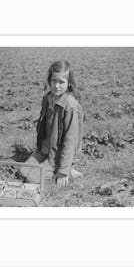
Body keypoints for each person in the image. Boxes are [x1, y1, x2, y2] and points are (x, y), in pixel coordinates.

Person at [20, 60, 84, 189]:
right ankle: (45, 164)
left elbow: (70, 141)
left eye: (62, 82)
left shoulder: (70, 106)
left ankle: (69, 171)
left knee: (32, 180)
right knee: (23, 172)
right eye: (54, 80)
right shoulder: (48, 98)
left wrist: (63, 171)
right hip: (46, 150)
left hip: (58, 155)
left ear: (69, 83)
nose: (57, 86)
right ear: (49, 80)